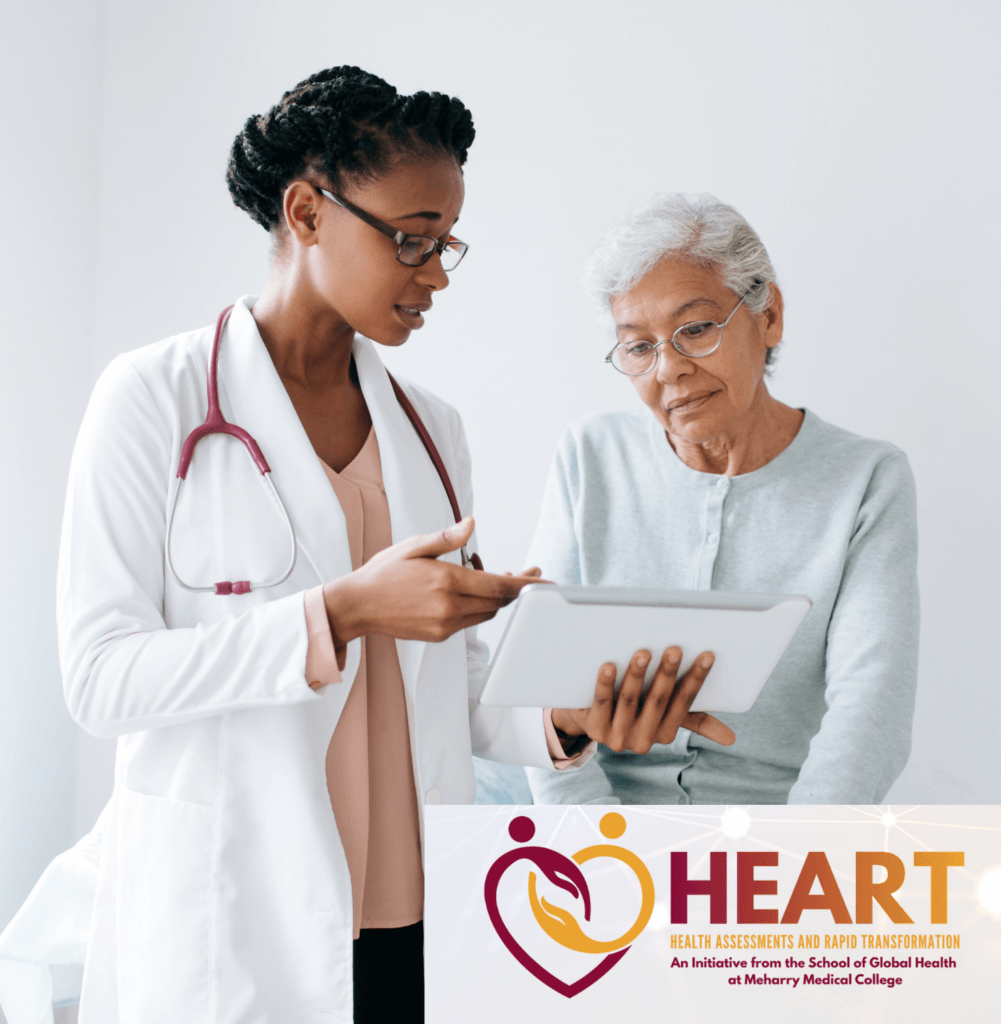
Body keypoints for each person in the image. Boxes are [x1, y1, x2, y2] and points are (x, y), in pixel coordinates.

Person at [0, 72, 729, 1024]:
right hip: (235, 915)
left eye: (446, 245)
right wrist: (339, 614)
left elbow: (443, 683)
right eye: (412, 238)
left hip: (412, 918)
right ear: (306, 210)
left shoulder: (433, 429)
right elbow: (102, 680)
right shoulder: (152, 399)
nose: (434, 273)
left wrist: (566, 717)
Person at [524, 192, 919, 808]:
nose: (668, 369)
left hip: (781, 838)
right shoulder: (589, 456)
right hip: (605, 834)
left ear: (769, 317)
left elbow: (872, 711)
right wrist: (604, 854)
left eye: (696, 328)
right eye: (638, 346)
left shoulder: (867, 479)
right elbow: (542, 692)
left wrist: (792, 862)